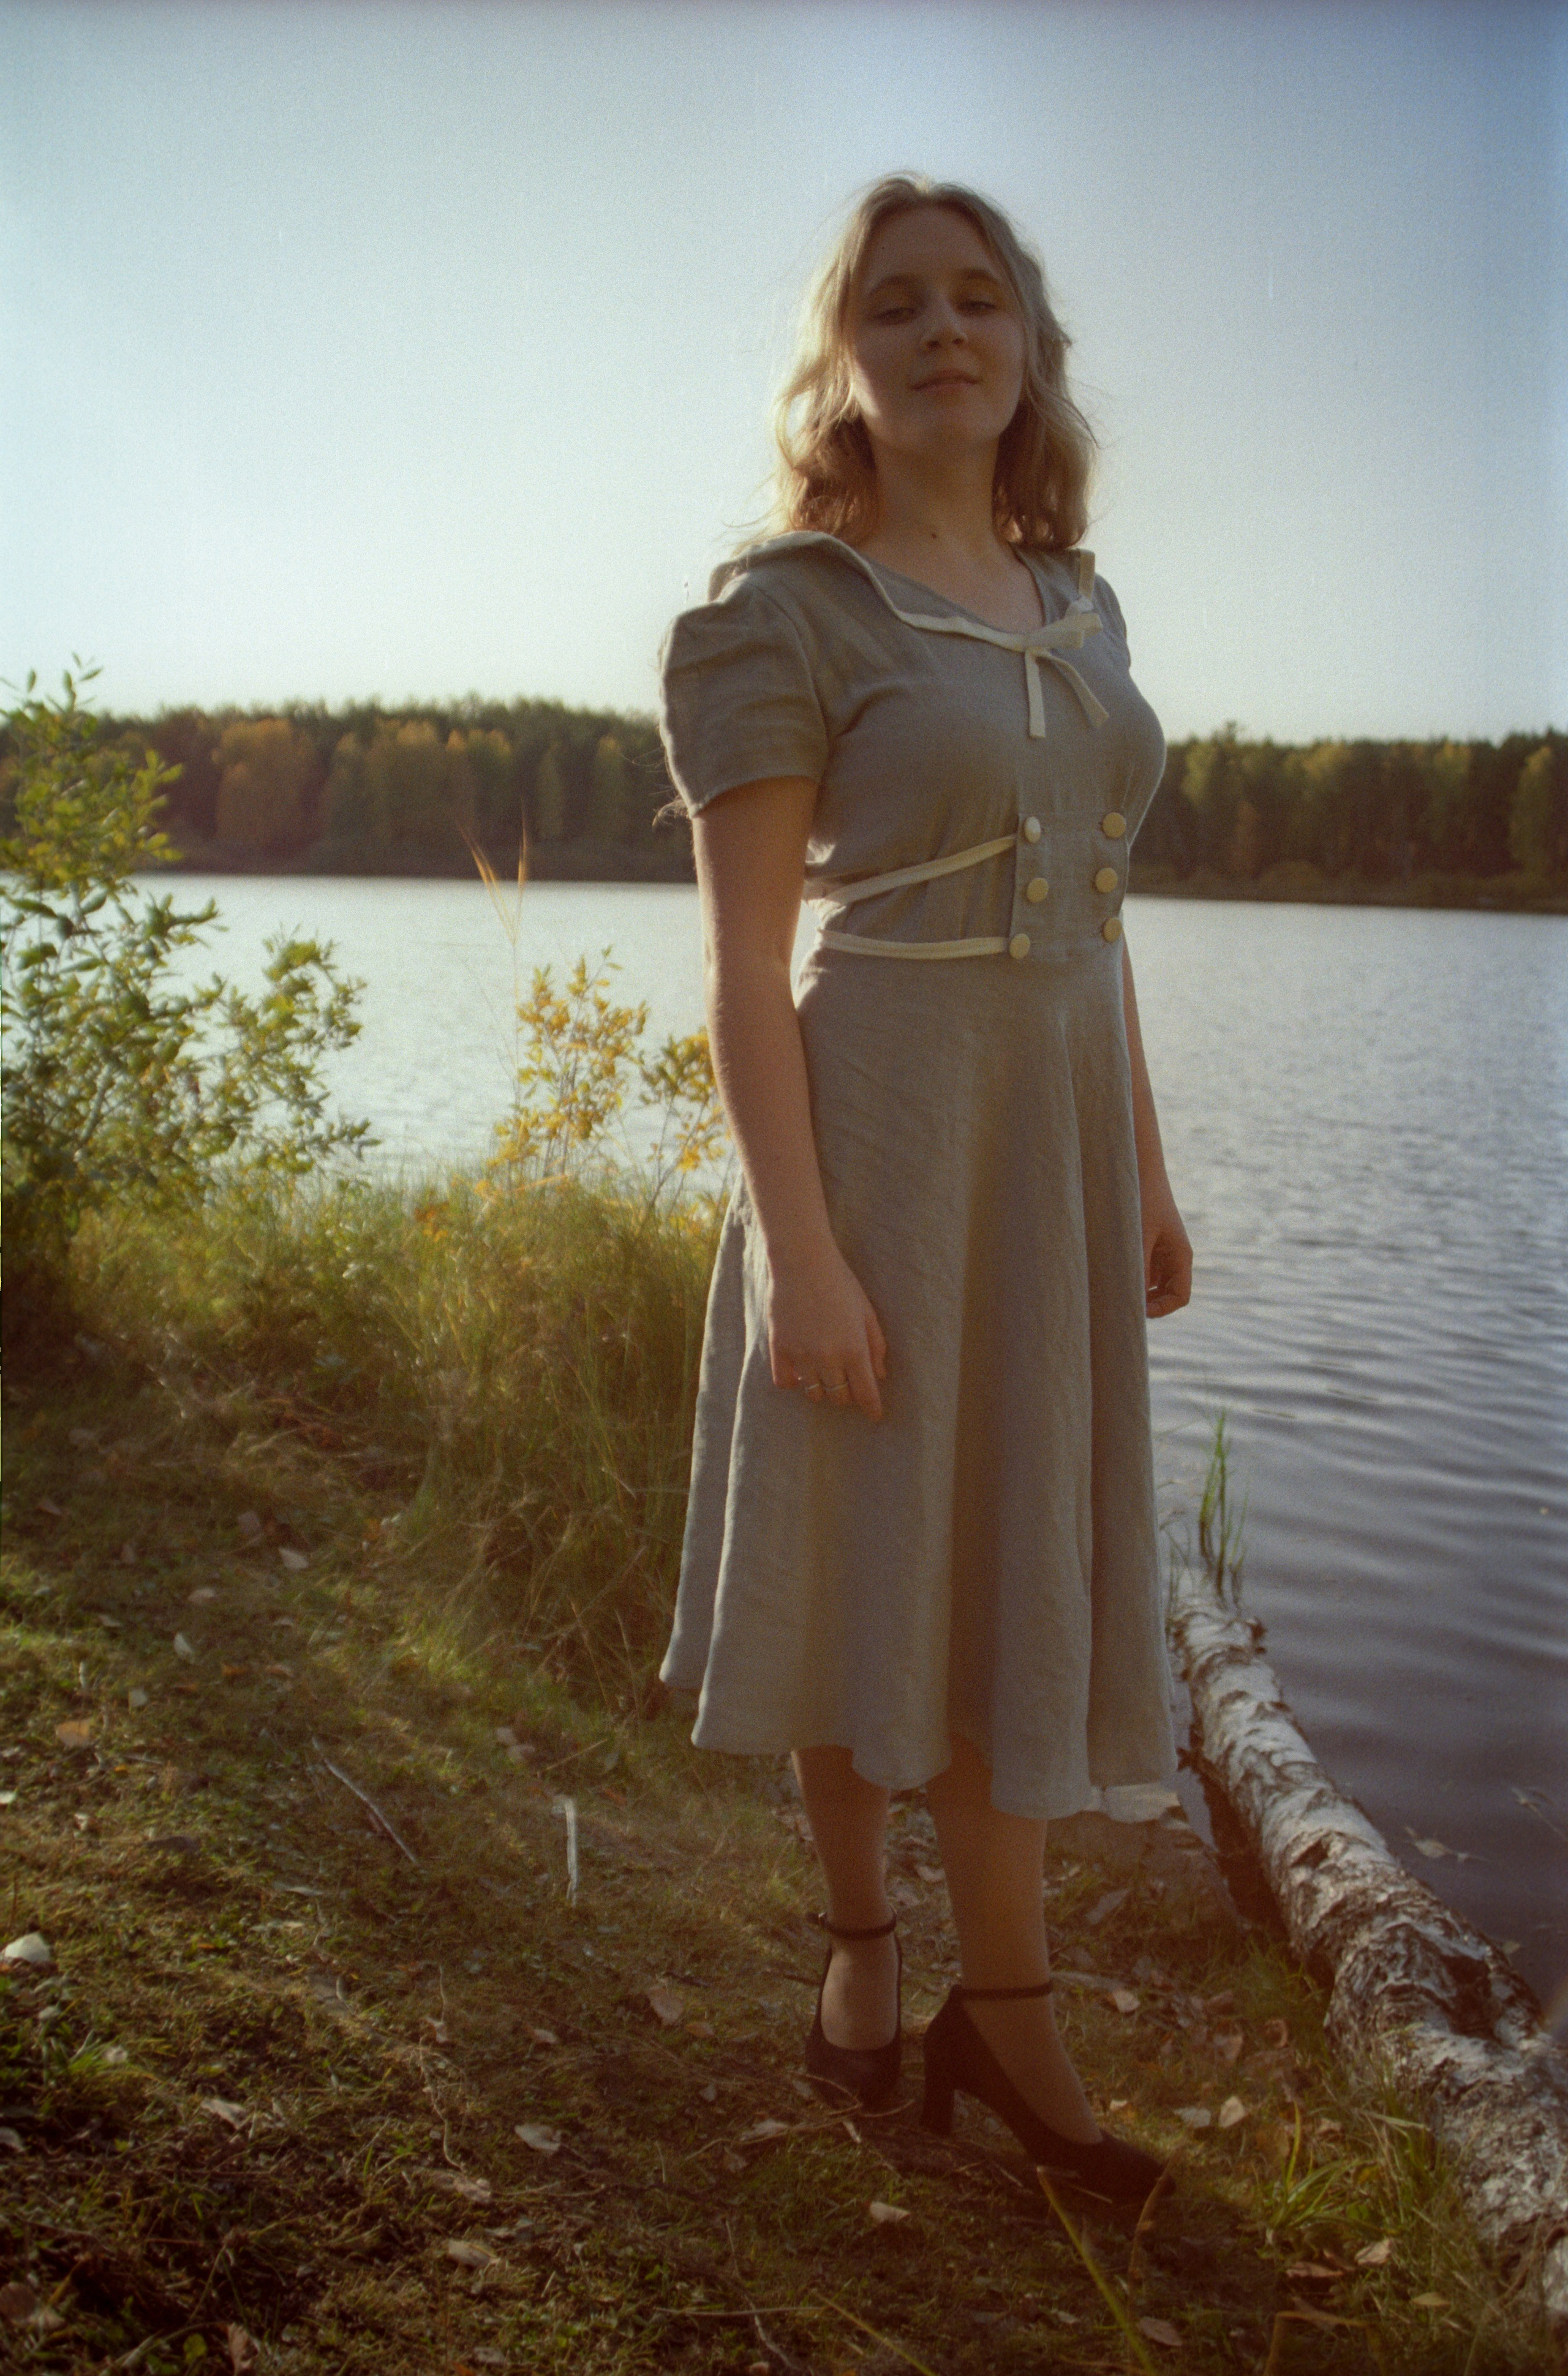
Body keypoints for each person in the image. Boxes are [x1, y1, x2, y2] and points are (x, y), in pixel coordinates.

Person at [655, 175, 1192, 2204]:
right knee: (863, 1540)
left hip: (1049, 1135)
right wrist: (800, 1250)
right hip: (874, 1128)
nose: (944, 330)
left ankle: (1011, 2003)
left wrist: (1139, 1169)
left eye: (980, 299)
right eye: (898, 305)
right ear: (848, 361)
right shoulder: (780, 608)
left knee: (1010, 1560)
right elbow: (741, 969)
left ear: (1030, 344)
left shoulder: (1084, 603)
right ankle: (873, 1961)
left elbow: (1104, 916)